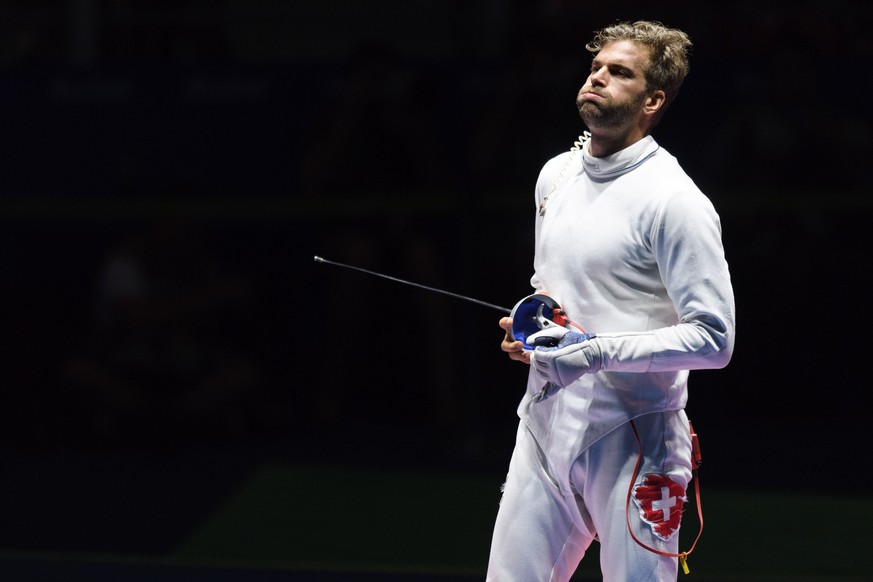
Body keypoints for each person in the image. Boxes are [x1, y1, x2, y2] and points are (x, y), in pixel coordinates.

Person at [487, 21, 736, 581]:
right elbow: (552, 290)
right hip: (545, 423)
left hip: (636, 438)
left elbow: (715, 339)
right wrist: (532, 330)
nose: (598, 77)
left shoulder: (675, 202)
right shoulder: (556, 175)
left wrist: (593, 351)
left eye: (619, 72)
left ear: (653, 99)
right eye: (597, 67)